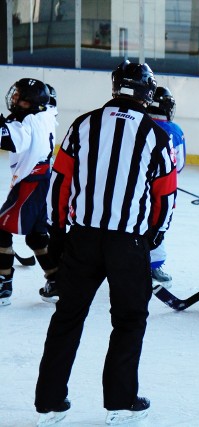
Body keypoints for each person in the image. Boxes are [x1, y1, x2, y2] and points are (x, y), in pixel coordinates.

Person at [34, 61, 177, 426]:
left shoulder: (83, 124)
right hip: (128, 242)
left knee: (67, 316)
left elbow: (60, 182)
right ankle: (120, 398)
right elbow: (165, 195)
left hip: (82, 237)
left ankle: (50, 400)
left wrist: (60, 232)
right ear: (146, 91)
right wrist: (153, 235)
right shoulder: (155, 134)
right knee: (130, 319)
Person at [0, 78, 59, 306]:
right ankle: (56, 279)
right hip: (41, 179)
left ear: (31, 104)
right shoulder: (46, 114)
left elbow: (9, 138)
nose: (14, 99)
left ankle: (3, 283)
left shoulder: (25, 124)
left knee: (1, 230)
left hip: (30, 182)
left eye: (19, 97)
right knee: (36, 236)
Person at [147, 86, 186, 287]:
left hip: (134, 187)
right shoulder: (175, 132)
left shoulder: (138, 123)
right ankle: (153, 267)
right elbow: (178, 165)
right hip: (163, 188)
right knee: (159, 222)